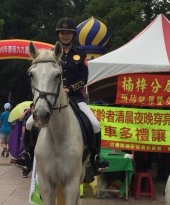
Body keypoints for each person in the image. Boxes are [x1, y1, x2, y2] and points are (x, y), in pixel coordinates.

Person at [25, 17, 109, 180]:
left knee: (95, 124)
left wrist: (69, 89)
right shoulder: (49, 54)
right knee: (29, 123)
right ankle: (27, 157)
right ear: (58, 35)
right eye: (62, 33)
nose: (65, 36)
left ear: (73, 35)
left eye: (68, 33)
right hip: (51, 99)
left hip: (75, 98)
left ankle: (95, 158)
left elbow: (84, 78)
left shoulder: (80, 54)